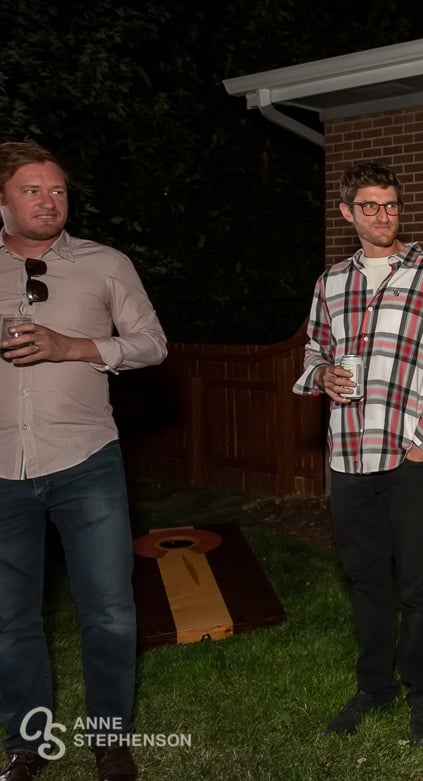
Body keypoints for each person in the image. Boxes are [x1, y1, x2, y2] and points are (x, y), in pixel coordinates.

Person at [0, 141, 168, 781]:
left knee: (109, 609)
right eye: (32, 190)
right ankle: (28, 742)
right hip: (1, 470)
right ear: (4, 200)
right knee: (10, 619)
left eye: (59, 190)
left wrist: (74, 347)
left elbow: (151, 344)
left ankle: (110, 739)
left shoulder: (105, 264)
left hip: (86, 461)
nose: (50, 201)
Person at [292, 161, 423, 744]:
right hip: (346, 453)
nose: (382, 215)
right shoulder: (330, 283)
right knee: (365, 580)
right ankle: (375, 685)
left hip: (407, 453)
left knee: (416, 581)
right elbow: (315, 347)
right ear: (348, 213)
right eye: (369, 206)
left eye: (390, 205)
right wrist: (321, 377)